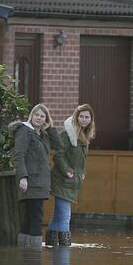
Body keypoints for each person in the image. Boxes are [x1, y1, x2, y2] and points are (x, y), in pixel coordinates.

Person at [46, 104, 95, 247]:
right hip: (62, 178)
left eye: (87, 117)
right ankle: (64, 250)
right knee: (65, 215)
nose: (84, 119)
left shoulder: (84, 136)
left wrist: (82, 173)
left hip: (72, 180)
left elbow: (81, 160)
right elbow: (58, 155)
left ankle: (51, 246)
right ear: (76, 117)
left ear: (91, 120)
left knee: (58, 214)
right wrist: (68, 171)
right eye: (81, 116)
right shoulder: (68, 134)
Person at [11, 103, 53, 247]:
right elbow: (19, 155)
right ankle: (34, 257)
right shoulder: (24, 131)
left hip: (41, 181)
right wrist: (23, 177)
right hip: (31, 180)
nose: (39, 118)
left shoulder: (43, 135)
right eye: (36, 114)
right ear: (31, 115)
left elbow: (59, 146)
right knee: (36, 216)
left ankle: (25, 254)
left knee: (30, 216)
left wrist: (50, 127)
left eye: (42, 116)